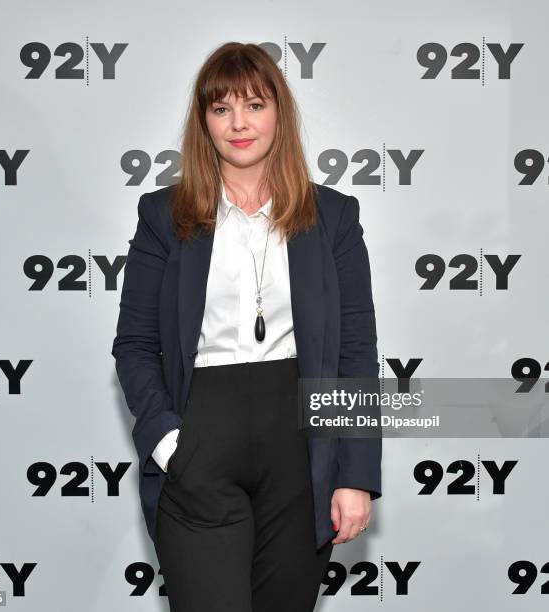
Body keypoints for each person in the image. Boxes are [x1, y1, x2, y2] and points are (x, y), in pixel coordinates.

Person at [111, 41, 381, 612]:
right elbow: (135, 345)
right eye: (221, 108)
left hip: (302, 447)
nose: (239, 123)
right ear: (203, 122)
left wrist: (354, 474)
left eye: (254, 105)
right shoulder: (163, 217)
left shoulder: (333, 216)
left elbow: (356, 352)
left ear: (279, 114)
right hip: (200, 439)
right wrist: (168, 443)